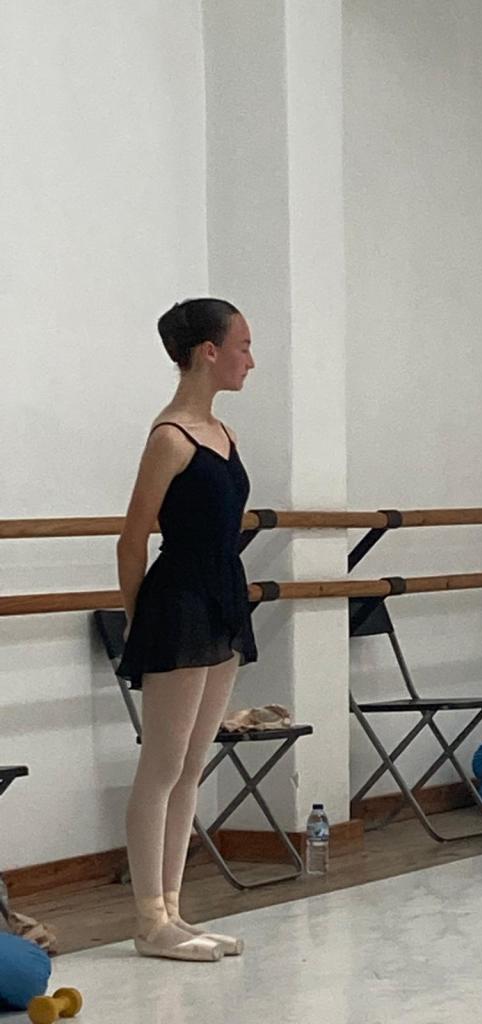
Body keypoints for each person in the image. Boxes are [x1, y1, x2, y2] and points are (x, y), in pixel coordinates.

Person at [117, 298, 257, 958]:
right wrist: (139, 623)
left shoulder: (223, 434)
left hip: (222, 595)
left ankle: (173, 909)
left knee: (193, 765)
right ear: (209, 351)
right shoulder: (170, 438)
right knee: (162, 765)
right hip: (178, 602)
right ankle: (150, 920)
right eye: (242, 347)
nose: (250, 360)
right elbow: (132, 540)